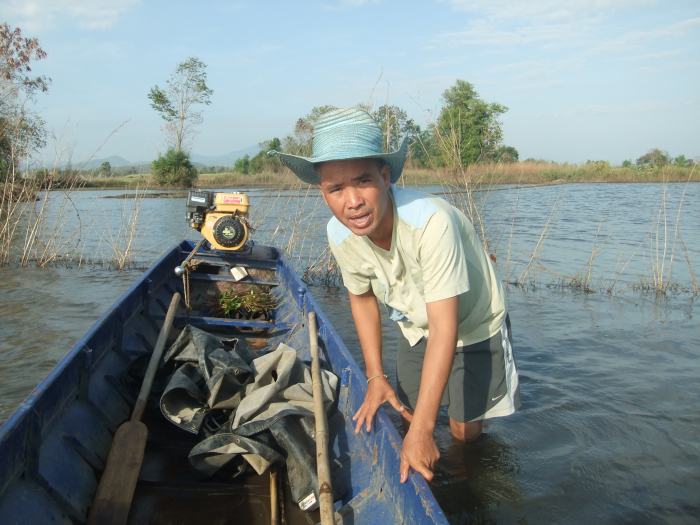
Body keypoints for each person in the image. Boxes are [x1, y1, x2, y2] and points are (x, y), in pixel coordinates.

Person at [273, 107, 520, 484]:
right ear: (322, 192)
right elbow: (362, 297)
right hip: (416, 324)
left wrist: (423, 433)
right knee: (407, 410)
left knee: (462, 432)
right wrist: (374, 376)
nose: (352, 201)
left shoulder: (430, 222)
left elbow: (446, 325)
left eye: (363, 181)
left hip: (472, 323)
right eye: (335, 189)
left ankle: (465, 477)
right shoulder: (339, 234)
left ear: (385, 177)